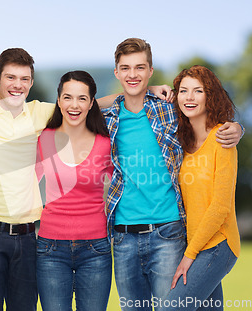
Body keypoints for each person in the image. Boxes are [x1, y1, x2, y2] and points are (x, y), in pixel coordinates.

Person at [0, 48, 173, 311]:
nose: (17, 85)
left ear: (32, 83)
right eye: (10, 78)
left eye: (24, 79)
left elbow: (90, 102)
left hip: (28, 236)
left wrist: (146, 90)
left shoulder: (40, 113)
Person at [102, 38, 243, 311]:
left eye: (140, 68)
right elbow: (79, 105)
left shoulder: (169, 110)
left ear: (151, 69)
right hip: (122, 238)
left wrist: (237, 128)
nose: (133, 74)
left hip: (168, 234)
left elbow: (208, 117)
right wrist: (139, 90)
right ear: (116, 72)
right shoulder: (108, 118)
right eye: (126, 68)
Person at [163, 65, 240, 311]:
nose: (189, 97)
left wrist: (190, 255)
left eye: (198, 91)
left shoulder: (223, 139)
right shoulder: (182, 144)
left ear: (211, 96)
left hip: (218, 245)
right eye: (184, 91)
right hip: (195, 244)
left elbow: (220, 207)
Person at [35, 71, 113, 311]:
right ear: (58, 101)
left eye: (82, 98)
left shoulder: (105, 143)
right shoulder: (44, 139)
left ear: (92, 103)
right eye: (67, 97)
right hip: (50, 249)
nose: (74, 105)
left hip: (95, 249)